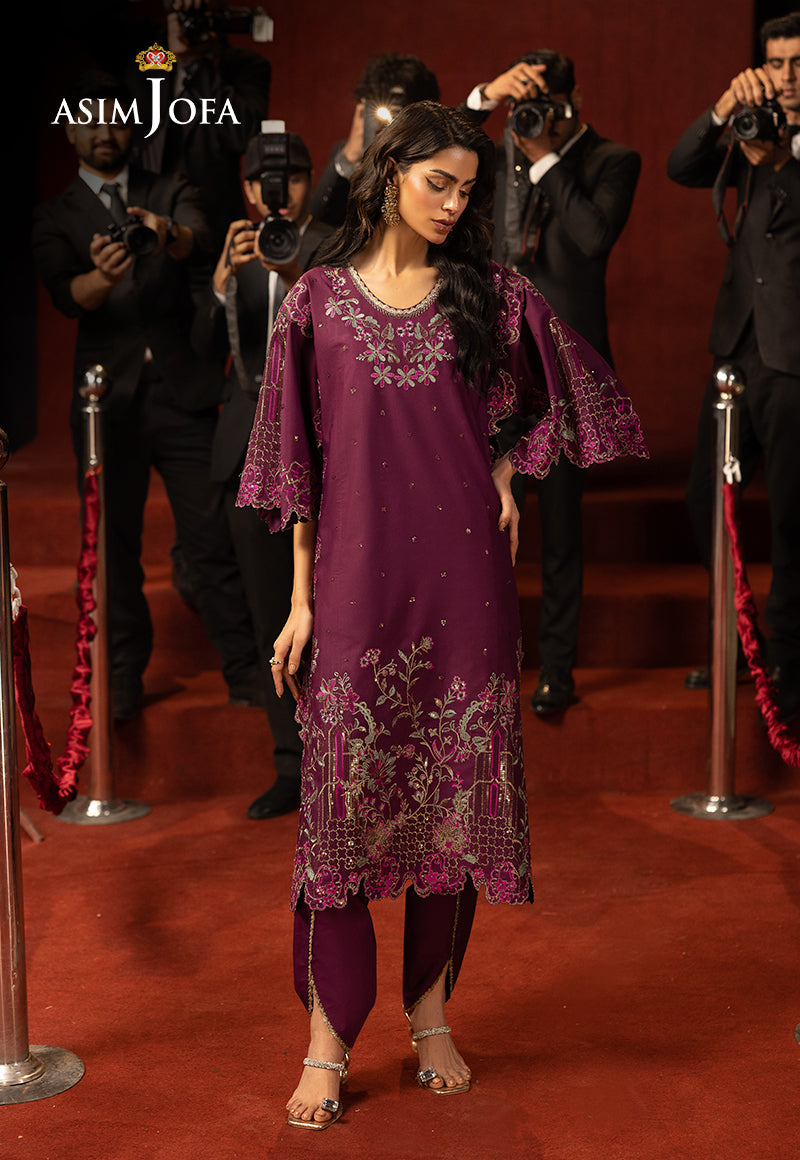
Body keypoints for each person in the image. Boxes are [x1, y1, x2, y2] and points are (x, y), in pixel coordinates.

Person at [237, 101, 647, 1128]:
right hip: (352, 587)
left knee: (451, 817)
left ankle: (429, 1016)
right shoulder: (314, 303)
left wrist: (504, 469)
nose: (455, 203)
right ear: (386, 175)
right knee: (338, 823)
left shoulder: (492, 297)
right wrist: (299, 601)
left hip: (463, 590)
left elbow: (568, 398)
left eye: (468, 188)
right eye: (438, 182)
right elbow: (296, 466)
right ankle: (328, 1037)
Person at [33, 71, 264, 719]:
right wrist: (100, 279)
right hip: (107, 404)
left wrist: (164, 232)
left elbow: (198, 237)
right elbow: (68, 296)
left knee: (212, 539)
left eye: (115, 119)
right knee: (113, 547)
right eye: (90, 121)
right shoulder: (54, 216)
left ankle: (244, 668)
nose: (106, 131)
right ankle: (123, 678)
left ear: (133, 125)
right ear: (71, 132)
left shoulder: (169, 189)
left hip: (183, 392)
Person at [461, 50, 641, 715]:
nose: (530, 117)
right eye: (523, 105)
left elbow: (593, 239)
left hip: (565, 374)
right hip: (494, 366)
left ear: (574, 102)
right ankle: (481, 662)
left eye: (543, 105)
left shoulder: (611, 160)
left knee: (561, 527)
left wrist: (544, 158)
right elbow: (433, 152)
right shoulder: (497, 150)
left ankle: (555, 669)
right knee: (477, 519)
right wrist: (485, 97)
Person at [667, 11, 800, 724]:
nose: (789, 76)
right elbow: (683, 166)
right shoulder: (752, 127)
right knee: (705, 501)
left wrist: (779, 162)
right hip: (738, 349)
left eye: (799, 63)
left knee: (792, 516)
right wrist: (724, 108)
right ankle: (742, 648)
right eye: (777, 63)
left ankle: (788, 664)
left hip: (795, 356)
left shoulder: (780, 150)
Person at [197, 130, 332, 817]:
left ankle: (342, 762)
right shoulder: (238, 254)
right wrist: (221, 283)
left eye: (293, 179)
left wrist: (304, 260)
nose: (279, 194)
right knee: (267, 613)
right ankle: (291, 764)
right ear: (248, 190)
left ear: (310, 183)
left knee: (332, 615)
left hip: (326, 454)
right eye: (266, 183)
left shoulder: (333, 247)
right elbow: (199, 355)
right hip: (248, 449)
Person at [310, 52, 440, 228]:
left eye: (401, 109)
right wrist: (349, 158)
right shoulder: (347, 154)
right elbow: (318, 221)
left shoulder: (436, 156)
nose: (392, 118)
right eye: (384, 108)